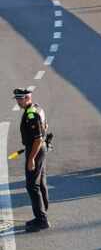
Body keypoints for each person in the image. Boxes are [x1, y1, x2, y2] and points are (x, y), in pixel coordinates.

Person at [15, 87, 50, 232]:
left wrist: (31, 159)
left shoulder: (31, 115)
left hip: (36, 150)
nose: (18, 102)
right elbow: (45, 127)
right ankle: (41, 216)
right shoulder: (37, 108)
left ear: (27, 98)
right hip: (39, 148)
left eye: (20, 99)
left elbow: (37, 138)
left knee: (31, 185)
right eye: (17, 99)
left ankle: (41, 220)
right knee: (40, 183)